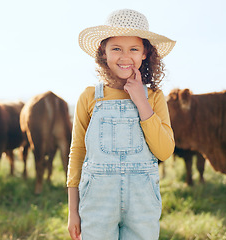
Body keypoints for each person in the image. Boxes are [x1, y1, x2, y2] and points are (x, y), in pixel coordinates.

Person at [67, 9, 176, 240]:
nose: (125, 57)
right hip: (97, 202)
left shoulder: (154, 97)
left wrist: (140, 100)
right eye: (116, 48)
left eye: (133, 49)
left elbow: (165, 151)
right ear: (103, 52)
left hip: (142, 203)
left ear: (145, 53)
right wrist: (72, 211)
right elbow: (77, 153)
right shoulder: (89, 97)